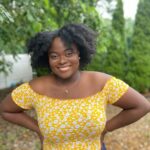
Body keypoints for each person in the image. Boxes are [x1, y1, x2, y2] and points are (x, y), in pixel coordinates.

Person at [0, 24, 150, 150]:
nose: (62, 60)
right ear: (47, 59)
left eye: (69, 53)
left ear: (79, 53)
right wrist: (37, 128)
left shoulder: (101, 82)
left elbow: (142, 106)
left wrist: (106, 128)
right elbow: (6, 109)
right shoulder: (35, 88)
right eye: (54, 56)